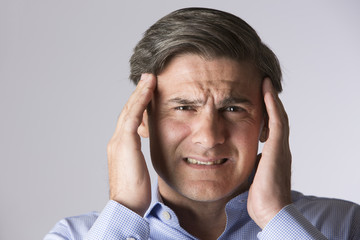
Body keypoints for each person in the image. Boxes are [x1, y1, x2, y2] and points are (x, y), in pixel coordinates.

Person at [44, 8, 360, 240]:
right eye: (183, 107)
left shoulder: (346, 225)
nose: (209, 137)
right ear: (141, 117)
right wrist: (124, 207)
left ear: (268, 122)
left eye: (233, 108)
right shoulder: (75, 235)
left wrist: (275, 217)